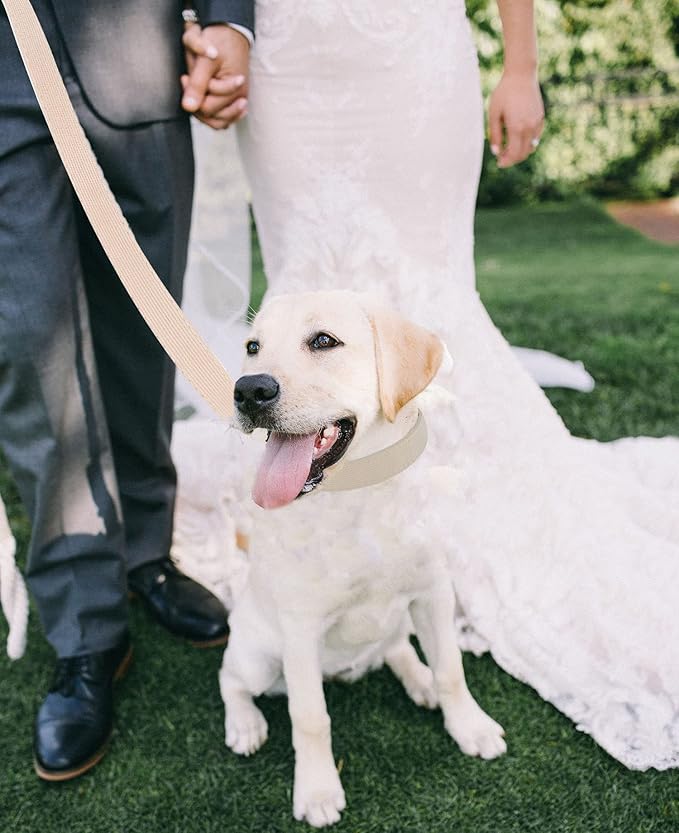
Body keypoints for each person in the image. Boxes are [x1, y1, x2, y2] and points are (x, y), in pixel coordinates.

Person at [178, 1, 679, 770]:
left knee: (427, 280)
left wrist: (520, 64)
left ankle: (451, 513)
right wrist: (222, 32)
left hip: (407, 45)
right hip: (285, 55)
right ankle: (323, 497)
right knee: (303, 289)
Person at [0, 0, 254, 781]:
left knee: (147, 335)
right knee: (29, 350)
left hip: (136, 57)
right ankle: (87, 628)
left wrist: (228, 20)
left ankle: (145, 550)